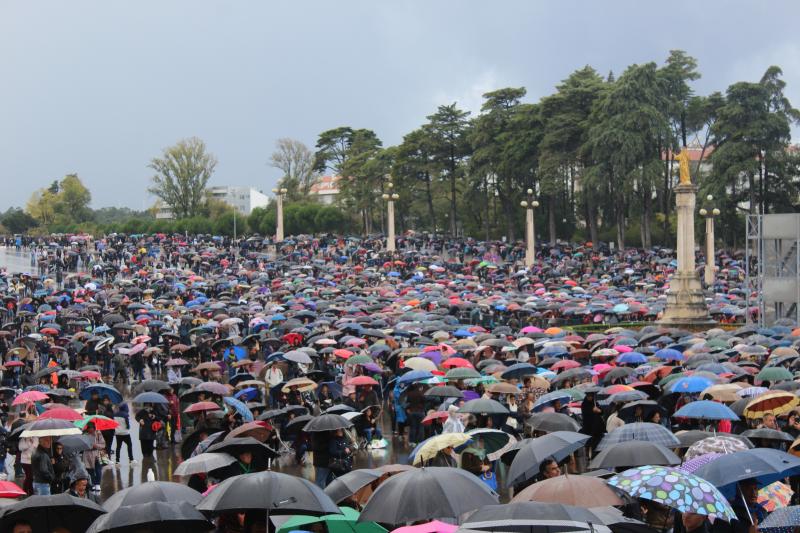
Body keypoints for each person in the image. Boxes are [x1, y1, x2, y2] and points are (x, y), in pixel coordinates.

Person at [82, 422, 105, 492]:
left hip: (97, 454)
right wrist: (88, 446)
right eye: (89, 428)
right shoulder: (85, 435)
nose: (90, 430)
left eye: (91, 428)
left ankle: (97, 484)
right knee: (90, 471)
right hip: (87, 455)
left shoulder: (98, 434)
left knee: (98, 470)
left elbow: (103, 445)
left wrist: (96, 446)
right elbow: (82, 446)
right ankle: (93, 484)